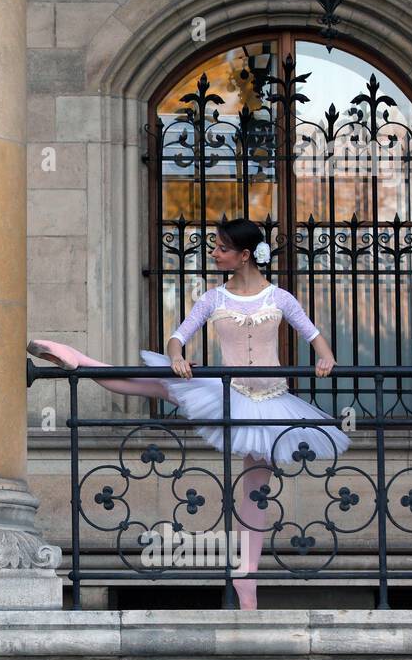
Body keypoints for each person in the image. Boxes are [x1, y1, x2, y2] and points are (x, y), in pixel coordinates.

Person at [28, 217, 348, 610]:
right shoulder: (214, 299)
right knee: (157, 382)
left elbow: (313, 335)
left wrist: (326, 360)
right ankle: (76, 359)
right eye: (214, 246)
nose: (214, 253)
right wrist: (177, 356)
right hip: (228, 392)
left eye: (222, 248)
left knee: (256, 491)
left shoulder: (280, 298)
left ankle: (247, 578)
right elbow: (178, 336)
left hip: (272, 402)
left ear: (245, 255)